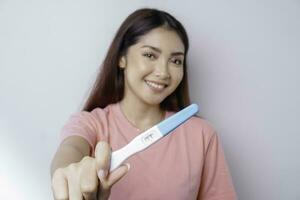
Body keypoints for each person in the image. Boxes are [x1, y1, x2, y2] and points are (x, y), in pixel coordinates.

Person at [50, 8, 237, 200]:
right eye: (150, 55)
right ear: (122, 58)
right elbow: (71, 149)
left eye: (175, 61)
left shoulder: (202, 135)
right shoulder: (90, 124)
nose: (163, 72)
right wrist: (68, 174)